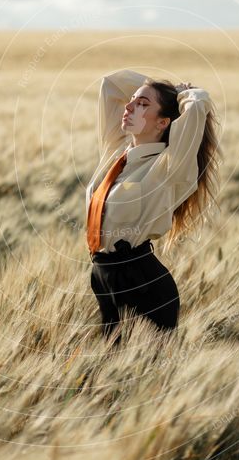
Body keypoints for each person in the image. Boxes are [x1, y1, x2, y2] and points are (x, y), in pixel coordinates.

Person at [86, 69, 222, 347]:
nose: (129, 106)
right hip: (102, 277)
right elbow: (110, 84)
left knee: (145, 377)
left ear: (163, 122)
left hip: (143, 284)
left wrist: (183, 94)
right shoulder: (116, 151)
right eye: (133, 101)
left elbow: (197, 107)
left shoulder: (170, 167)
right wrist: (155, 90)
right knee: (110, 371)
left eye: (142, 105)